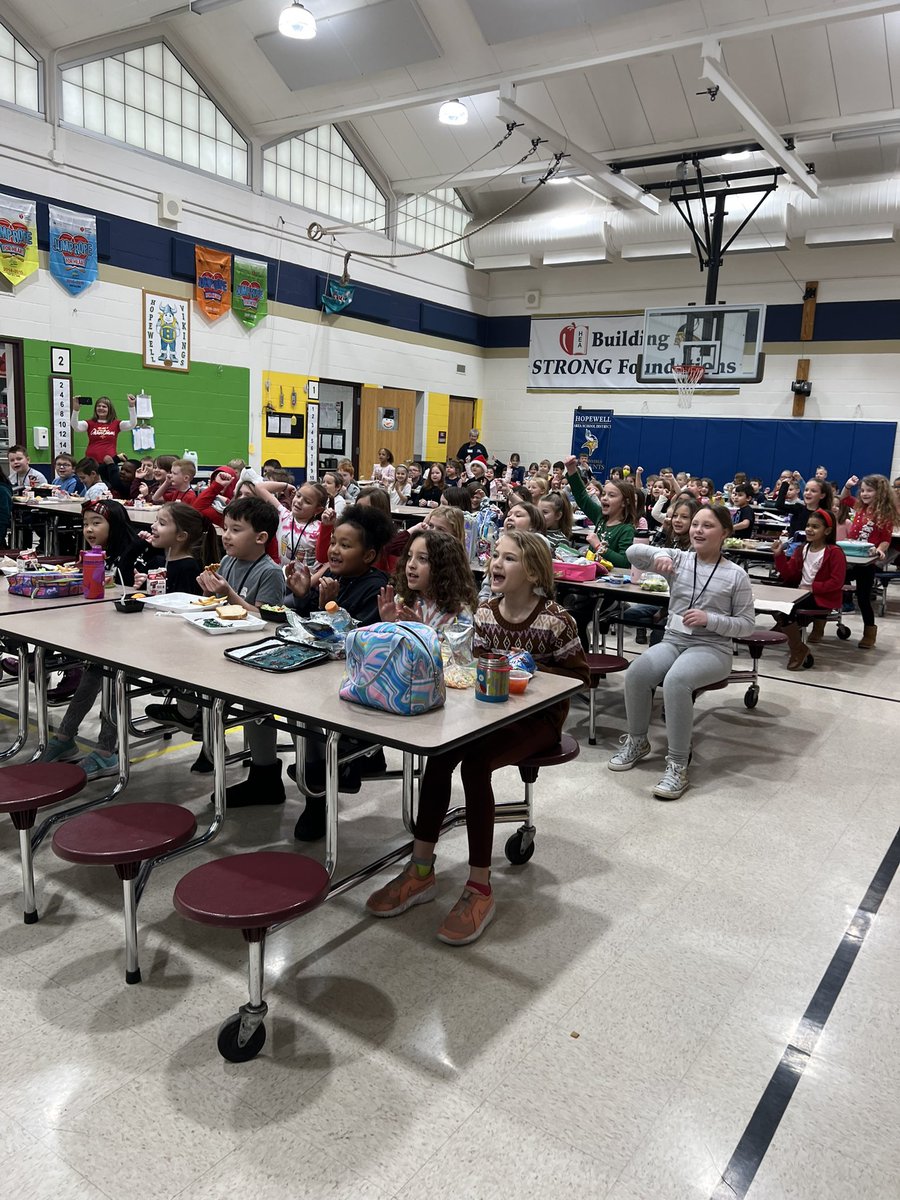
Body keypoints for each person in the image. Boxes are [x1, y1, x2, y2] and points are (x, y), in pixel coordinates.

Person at [365, 530, 589, 945]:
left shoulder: (557, 620)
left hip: (540, 720)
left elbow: (580, 679)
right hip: (491, 710)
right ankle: (420, 870)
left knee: (476, 765)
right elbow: (468, 665)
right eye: (495, 556)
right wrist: (427, 640)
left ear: (535, 571)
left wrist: (532, 674)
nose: (496, 564)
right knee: (441, 753)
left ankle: (479, 888)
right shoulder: (484, 614)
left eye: (509, 558)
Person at [608, 505, 756, 800]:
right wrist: (658, 554)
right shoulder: (679, 558)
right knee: (638, 673)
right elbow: (632, 556)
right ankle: (638, 741)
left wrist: (709, 619)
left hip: (712, 648)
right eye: (696, 524)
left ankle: (677, 765)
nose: (698, 530)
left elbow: (747, 626)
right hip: (675, 640)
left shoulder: (736, 575)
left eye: (708, 526)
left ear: (725, 533)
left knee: (676, 681)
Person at [41, 501, 163, 779]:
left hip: (138, 634)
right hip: (107, 628)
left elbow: (139, 588)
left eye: (97, 522)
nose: (89, 529)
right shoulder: (96, 553)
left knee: (112, 678)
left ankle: (107, 750)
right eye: (86, 524)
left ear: (115, 524)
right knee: (94, 672)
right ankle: (65, 737)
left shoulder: (141, 550)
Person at [772, 509, 846, 668]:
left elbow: (837, 582)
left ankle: (797, 648)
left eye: (815, 527)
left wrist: (813, 588)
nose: (809, 530)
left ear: (827, 531)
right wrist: (779, 556)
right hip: (801, 593)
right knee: (776, 604)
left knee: (787, 610)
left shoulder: (834, 552)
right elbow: (790, 575)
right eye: (808, 526)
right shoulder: (802, 549)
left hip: (821, 597)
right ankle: (798, 644)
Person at [839, 473, 899, 648]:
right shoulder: (860, 508)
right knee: (833, 586)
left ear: (879, 493)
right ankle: (819, 626)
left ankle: (869, 633)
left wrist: (880, 550)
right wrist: (848, 486)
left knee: (864, 598)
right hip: (849, 557)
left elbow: (886, 539)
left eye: (869, 491)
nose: (864, 494)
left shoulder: (885, 515)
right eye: (863, 490)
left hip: (866, 562)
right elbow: (844, 499)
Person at [378, 527, 477, 631]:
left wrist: (423, 633)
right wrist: (388, 625)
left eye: (422, 559)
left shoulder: (460, 612)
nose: (411, 564)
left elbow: (458, 647)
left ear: (443, 567)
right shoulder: (402, 600)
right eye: (409, 556)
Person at [144, 500, 217, 595]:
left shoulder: (188, 568)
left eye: (162, 523)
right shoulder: (158, 560)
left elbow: (185, 603)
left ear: (181, 536)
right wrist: (144, 582)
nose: (153, 526)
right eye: (155, 521)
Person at [71, 395, 137, 464]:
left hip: (109, 462)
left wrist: (132, 406)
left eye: (104, 406)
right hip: (92, 463)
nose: (100, 408)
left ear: (109, 409)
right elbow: (76, 427)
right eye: (98, 406)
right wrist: (76, 410)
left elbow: (132, 424)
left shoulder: (116, 424)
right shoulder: (90, 423)